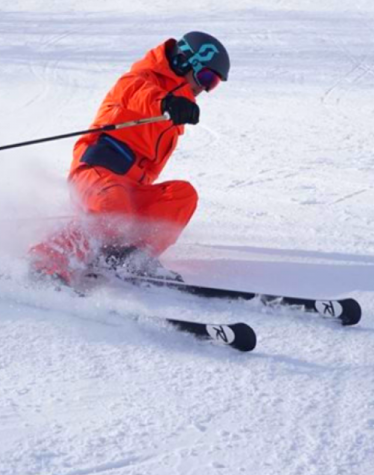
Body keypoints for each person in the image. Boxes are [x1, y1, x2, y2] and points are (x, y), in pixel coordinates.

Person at [30, 31, 230, 286]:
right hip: (96, 175)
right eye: (206, 77)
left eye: (213, 84)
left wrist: (172, 104)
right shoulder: (142, 78)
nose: (204, 88)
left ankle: (129, 257)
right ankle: (45, 263)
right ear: (184, 61)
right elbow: (134, 92)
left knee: (182, 196)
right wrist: (166, 103)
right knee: (113, 209)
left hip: (132, 190)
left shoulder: (177, 104)